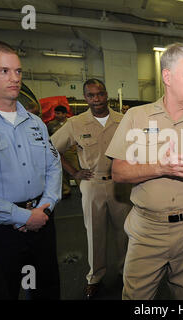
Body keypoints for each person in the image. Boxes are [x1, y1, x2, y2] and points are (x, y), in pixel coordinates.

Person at [105, 42, 183, 300]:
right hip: (147, 227)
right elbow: (118, 172)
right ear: (167, 77)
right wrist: (161, 167)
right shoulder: (136, 117)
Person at [0, 40, 61, 300]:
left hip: (42, 220)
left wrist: (46, 206)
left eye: (18, 71)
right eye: (4, 71)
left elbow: (53, 165)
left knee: (46, 291)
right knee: (1, 291)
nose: (14, 78)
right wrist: (21, 216)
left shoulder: (35, 122)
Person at [51, 78, 132, 299]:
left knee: (124, 232)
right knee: (94, 234)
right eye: (91, 95)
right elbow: (51, 149)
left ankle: (126, 273)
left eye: (100, 94)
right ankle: (95, 277)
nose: (96, 99)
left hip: (120, 185)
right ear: (85, 97)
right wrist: (74, 172)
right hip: (91, 184)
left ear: (107, 95)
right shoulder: (75, 123)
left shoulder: (124, 120)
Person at [47, 105, 80, 198]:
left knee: (76, 169)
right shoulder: (51, 125)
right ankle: (66, 190)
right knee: (61, 172)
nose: (56, 115)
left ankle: (83, 189)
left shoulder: (72, 123)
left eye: (58, 113)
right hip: (57, 152)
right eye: (55, 113)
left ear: (65, 114)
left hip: (71, 151)